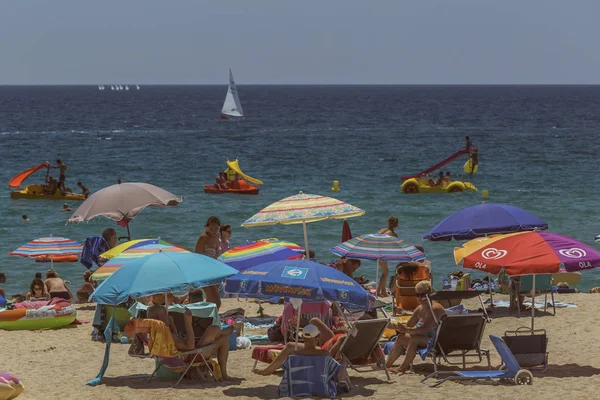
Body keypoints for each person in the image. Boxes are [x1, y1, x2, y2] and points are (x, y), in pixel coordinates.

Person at [146, 295, 232, 380]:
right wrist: (188, 323)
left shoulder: (158, 334)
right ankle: (223, 332)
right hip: (192, 356)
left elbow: (176, 344)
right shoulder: (169, 336)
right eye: (165, 315)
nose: (168, 316)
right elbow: (190, 347)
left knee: (224, 339)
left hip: (186, 354)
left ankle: (224, 375)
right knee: (213, 329)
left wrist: (172, 326)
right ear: (159, 320)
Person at [386, 281, 446, 374]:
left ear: (429, 294)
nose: (420, 298)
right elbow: (409, 324)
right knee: (401, 338)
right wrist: (396, 326)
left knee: (415, 340)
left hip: (437, 341)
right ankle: (387, 365)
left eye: (422, 295)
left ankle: (402, 368)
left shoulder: (434, 309)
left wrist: (406, 329)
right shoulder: (419, 309)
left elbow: (423, 329)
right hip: (424, 338)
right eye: (417, 295)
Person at [253, 322, 332, 375]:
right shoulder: (325, 353)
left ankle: (267, 370)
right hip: (318, 372)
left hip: (299, 377)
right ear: (318, 337)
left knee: (290, 346)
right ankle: (267, 370)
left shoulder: (296, 353)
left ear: (303, 338)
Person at [194, 216, 222, 309]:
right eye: (211, 228)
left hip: (214, 270)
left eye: (216, 228)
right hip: (203, 271)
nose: (213, 230)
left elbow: (217, 251)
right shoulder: (203, 238)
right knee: (213, 300)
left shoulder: (217, 236)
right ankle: (208, 319)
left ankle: (211, 319)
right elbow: (197, 257)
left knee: (215, 302)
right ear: (206, 227)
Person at [377, 216, 399, 297]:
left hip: (376, 252)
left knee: (385, 270)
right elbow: (396, 247)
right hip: (383, 253)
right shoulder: (393, 235)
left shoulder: (382, 230)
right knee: (385, 272)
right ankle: (378, 291)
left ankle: (383, 291)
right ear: (396, 225)